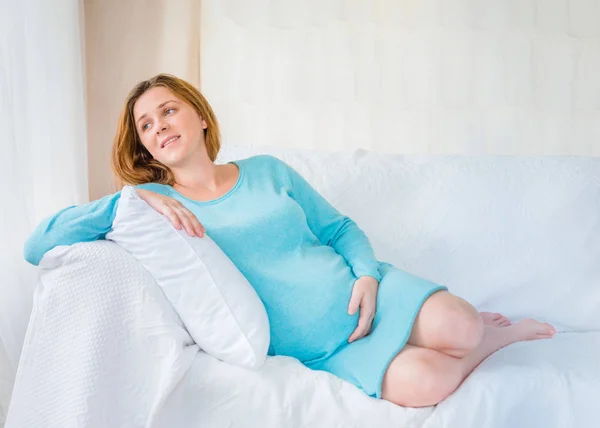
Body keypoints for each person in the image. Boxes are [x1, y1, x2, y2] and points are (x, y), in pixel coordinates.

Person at [23, 74, 555, 408]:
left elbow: (339, 229)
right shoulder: (152, 208)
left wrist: (368, 275)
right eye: (145, 125)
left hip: (368, 292)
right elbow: (37, 243)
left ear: (200, 117)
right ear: (145, 149)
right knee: (428, 385)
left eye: (168, 110)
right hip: (325, 347)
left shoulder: (266, 171)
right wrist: (126, 201)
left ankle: (479, 330)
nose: (159, 125)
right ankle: (492, 341)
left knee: (458, 322)